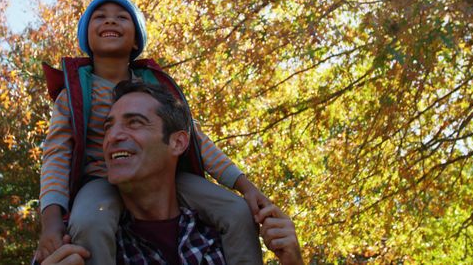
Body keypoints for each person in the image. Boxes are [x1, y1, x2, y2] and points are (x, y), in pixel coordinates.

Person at [36, 0, 269, 264]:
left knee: (236, 210)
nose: (110, 19)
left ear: (136, 39)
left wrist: (246, 187)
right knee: (89, 222)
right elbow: (56, 155)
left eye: (122, 17)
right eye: (99, 17)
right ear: (87, 38)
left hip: (160, 178)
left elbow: (196, 140)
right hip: (100, 181)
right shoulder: (74, 94)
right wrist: (51, 221)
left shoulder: (156, 89)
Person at [42, 81, 303, 265]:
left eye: (134, 122)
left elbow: (204, 146)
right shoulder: (70, 247)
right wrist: (51, 220)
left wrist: (293, 262)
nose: (112, 136)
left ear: (178, 142)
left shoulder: (221, 237)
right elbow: (55, 154)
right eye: (108, 127)